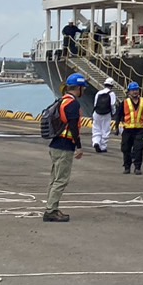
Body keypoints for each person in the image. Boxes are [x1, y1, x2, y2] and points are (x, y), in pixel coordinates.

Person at [43, 73, 87, 222]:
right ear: (79, 88)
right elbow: (73, 126)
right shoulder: (73, 104)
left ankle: (51, 207)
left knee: (54, 178)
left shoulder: (63, 100)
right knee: (61, 180)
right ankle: (51, 210)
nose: (84, 91)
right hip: (64, 146)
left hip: (56, 144)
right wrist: (79, 146)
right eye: (83, 88)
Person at [119, 82, 143, 175]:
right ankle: (127, 167)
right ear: (129, 92)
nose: (135, 92)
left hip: (140, 129)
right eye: (133, 90)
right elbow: (119, 115)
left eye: (136, 90)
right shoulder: (124, 102)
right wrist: (116, 127)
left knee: (138, 149)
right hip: (128, 130)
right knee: (126, 149)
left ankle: (137, 167)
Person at [90, 78, 118, 153]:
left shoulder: (99, 93)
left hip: (97, 113)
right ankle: (103, 147)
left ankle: (96, 142)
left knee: (96, 128)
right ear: (112, 85)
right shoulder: (111, 94)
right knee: (105, 130)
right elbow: (112, 104)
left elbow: (95, 104)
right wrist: (113, 113)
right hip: (106, 113)